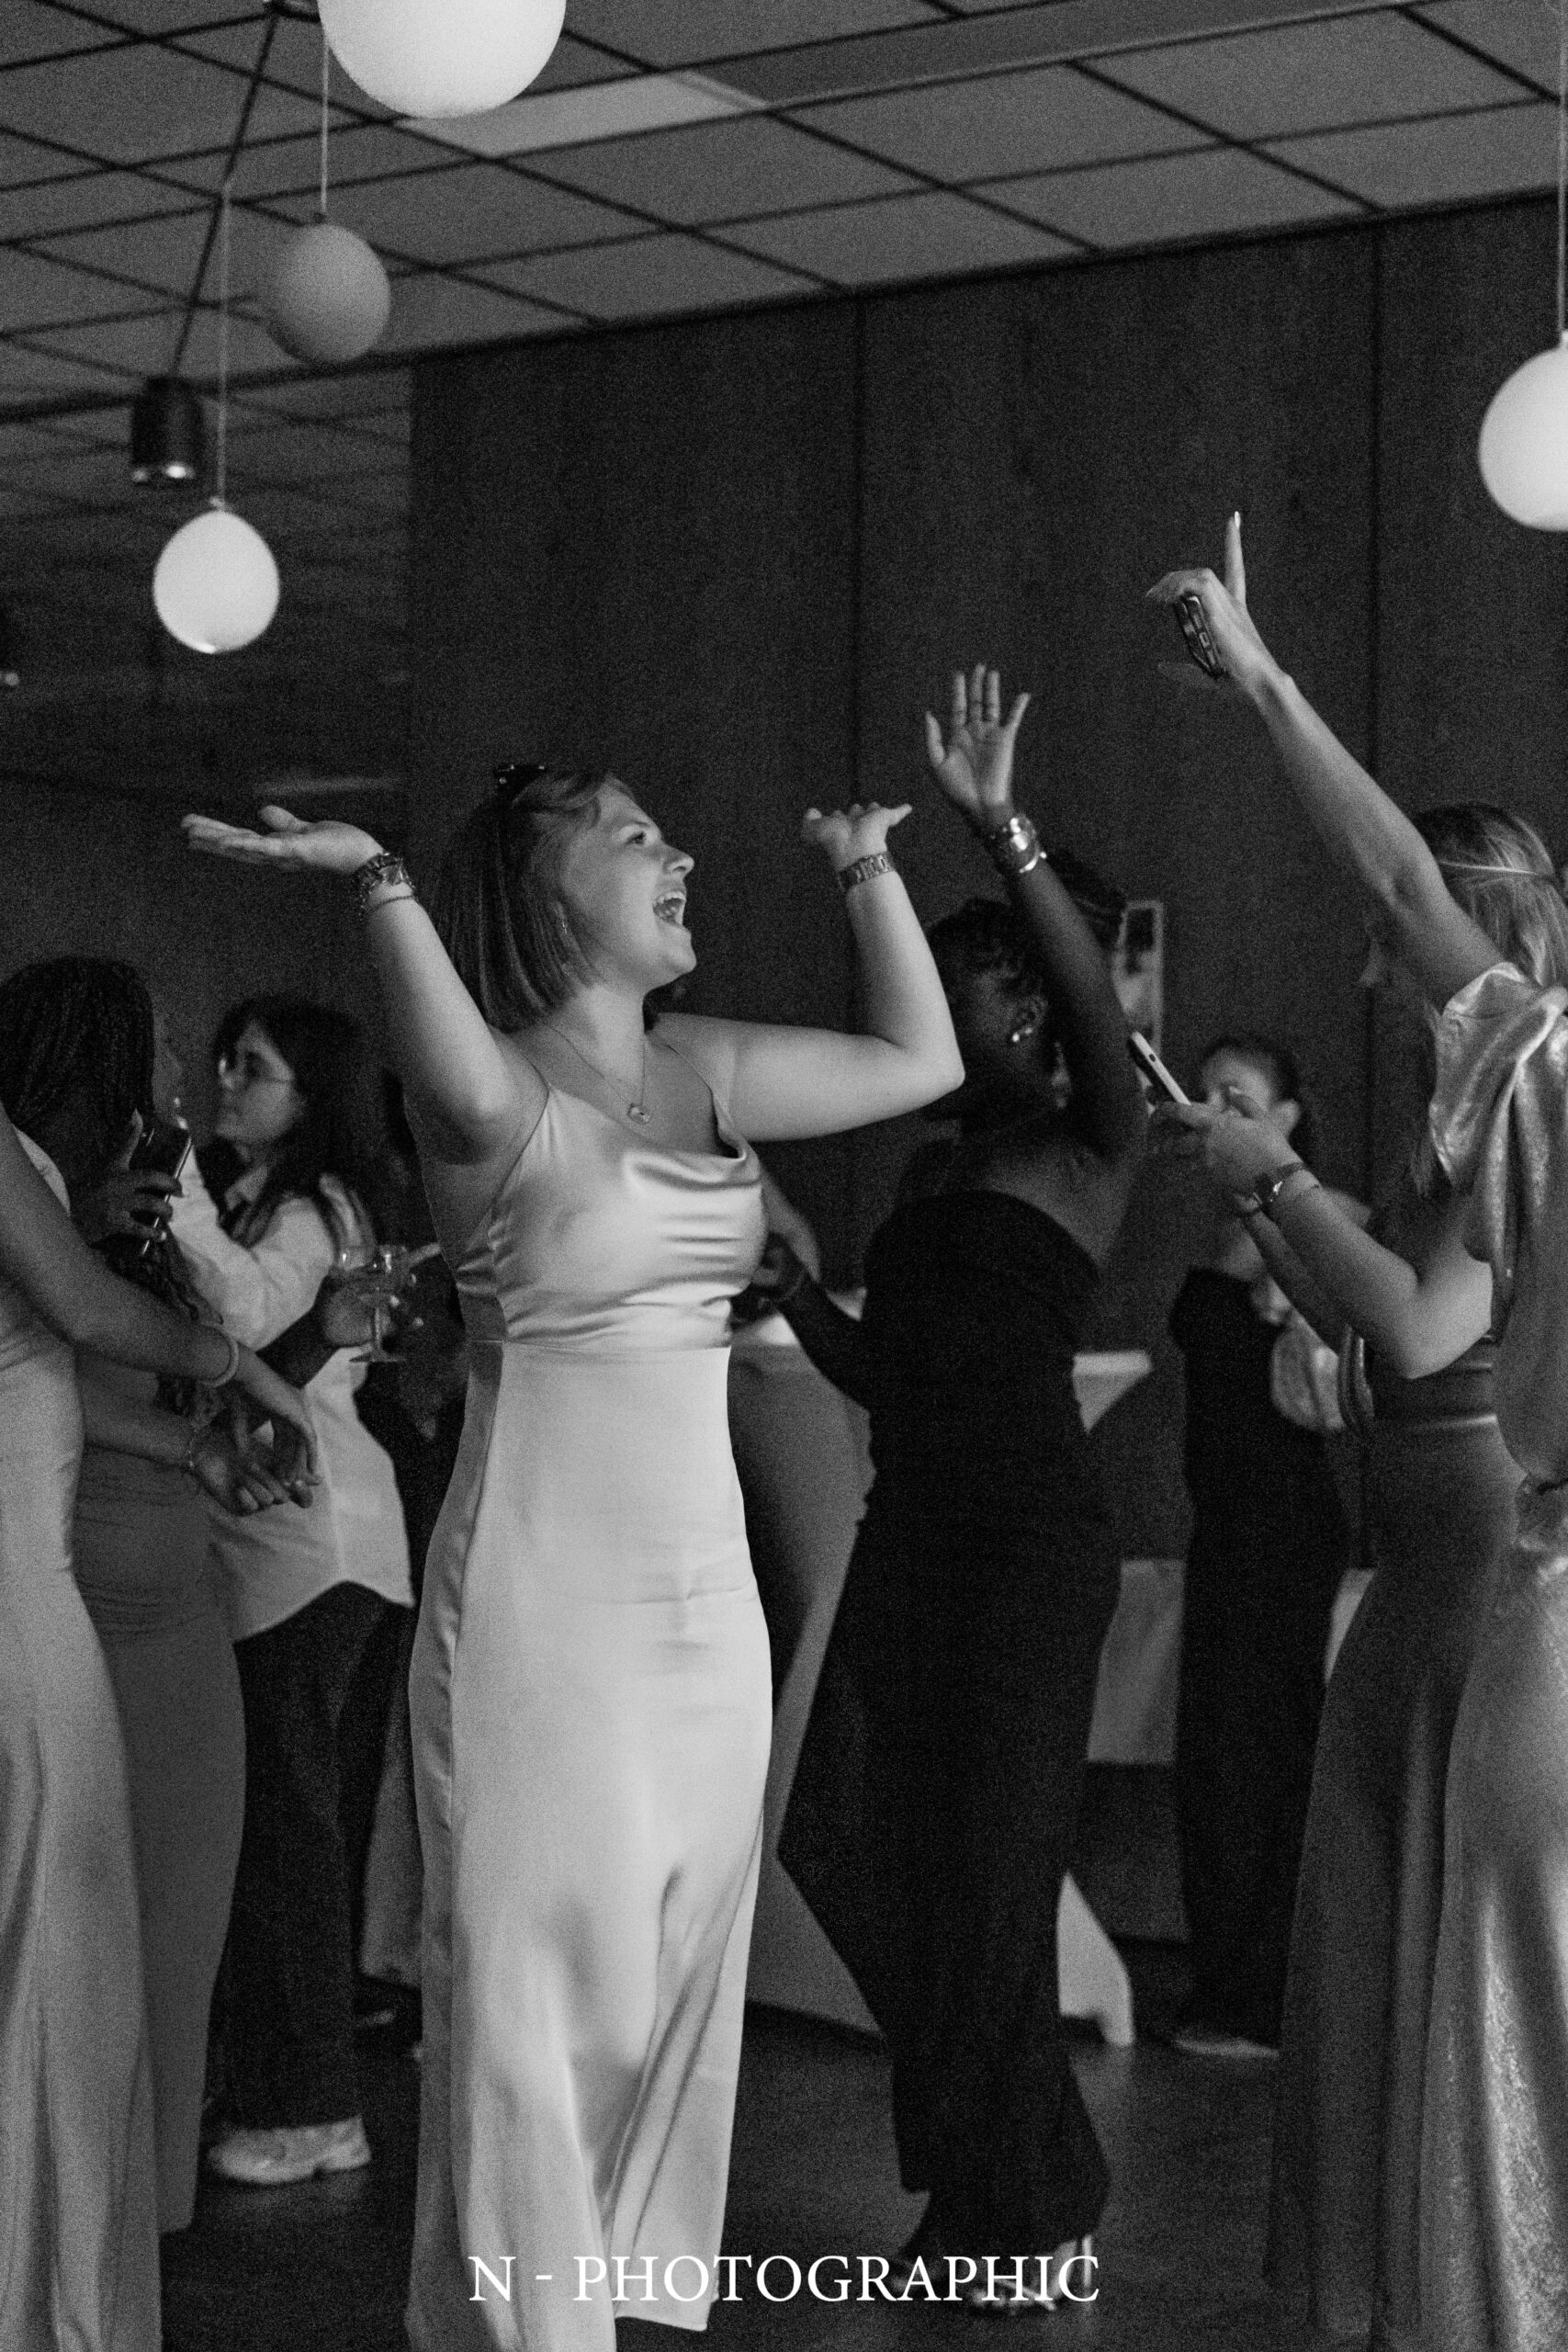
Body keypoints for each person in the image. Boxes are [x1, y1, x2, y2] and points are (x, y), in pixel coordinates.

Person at [181, 747, 962, 2352]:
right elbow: (454, 1062)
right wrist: (377, 881)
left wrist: (866, 865)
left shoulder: (704, 1067)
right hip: (542, 1606)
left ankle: (601, 2307)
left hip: (704, 1614)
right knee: (529, 1998)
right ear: (543, 891)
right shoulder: (484, 1093)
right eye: (633, 835)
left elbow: (918, 1058)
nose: (677, 854)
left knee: (669, 1984)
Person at [1151, 514, 1568, 2352]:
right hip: (1493, 1592)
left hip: (1540, 1604)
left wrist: (1260, 678)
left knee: (1512, 2044)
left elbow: (1398, 879)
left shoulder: (1544, 1063)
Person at [765, 670, 1146, 2307]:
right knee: (839, 1841)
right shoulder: (928, 1171)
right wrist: (793, 1293)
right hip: (908, 1538)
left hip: (1024, 1556)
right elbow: (888, 1377)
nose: (935, 1005)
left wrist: (1002, 829)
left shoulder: (1089, 1141)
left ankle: (1007, 2208)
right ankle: (1026, 2173)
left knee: (988, 1888)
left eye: (965, 986)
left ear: (1034, 1018)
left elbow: (1093, 997)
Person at [0, 956, 317, 2245]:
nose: (183, 1072)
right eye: (165, 1044)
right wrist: (245, 1370)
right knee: (59, 1959)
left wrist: (195, 1442)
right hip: (48, 1609)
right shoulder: (42, 1202)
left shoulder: (73, 1197)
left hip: (146, 1615)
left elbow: (59, 1376)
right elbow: (73, 1325)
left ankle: (104, 2250)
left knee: (133, 1957)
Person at [166, 995, 412, 2188]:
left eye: (251, 1067)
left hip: (312, 1545)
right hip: (297, 1543)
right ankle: (284, 2088)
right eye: (225, 1059)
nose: (226, 1079)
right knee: (286, 1831)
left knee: (291, 1838)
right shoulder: (278, 1200)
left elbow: (247, 1326)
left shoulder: (316, 1212)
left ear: (309, 1096)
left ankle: (313, 2106)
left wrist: (178, 1195)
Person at [1167, 1035, 1351, 2061]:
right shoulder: (1246, 1223)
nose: (1211, 1111)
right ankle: (1235, 1984)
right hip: (1231, 1522)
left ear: (1286, 1117)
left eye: (1234, 1097)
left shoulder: (1321, 1222)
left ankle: (1264, 1996)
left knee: (1260, 1754)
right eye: (1202, 1095)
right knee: (1220, 1753)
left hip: (1280, 1528)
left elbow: (1346, 1379)